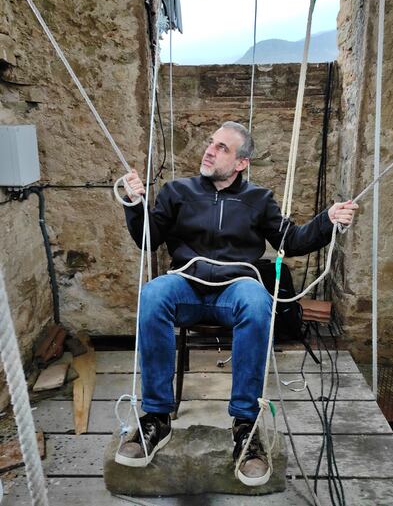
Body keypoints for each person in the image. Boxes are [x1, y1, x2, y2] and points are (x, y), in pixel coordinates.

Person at [116, 121, 357, 486]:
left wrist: (328, 220)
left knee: (258, 300)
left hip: (235, 290)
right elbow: (147, 239)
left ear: (241, 163)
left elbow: (292, 241)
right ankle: (156, 418)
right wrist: (135, 204)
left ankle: (245, 425)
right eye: (211, 143)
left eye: (222, 148)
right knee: (153, 293)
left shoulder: (259, 199)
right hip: (186, 287)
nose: (209, 150)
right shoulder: (176, 191)